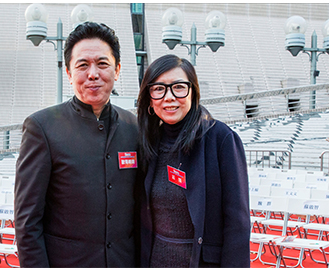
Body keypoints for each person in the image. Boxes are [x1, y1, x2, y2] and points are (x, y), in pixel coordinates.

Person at [14, 22, 140, 268]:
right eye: (82, 65)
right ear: (69, 74)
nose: (93, 74)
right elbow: (27, 222)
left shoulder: (133, 126)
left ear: (117, 70)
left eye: (102, 64)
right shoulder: (42, 127)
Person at [137, 54, 250, 268]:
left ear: (193, 92)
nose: (169, 97)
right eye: (159, 89)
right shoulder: (149, 143)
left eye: (178, 87)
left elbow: (238, 224)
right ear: (149, 99)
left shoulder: (220, 139)